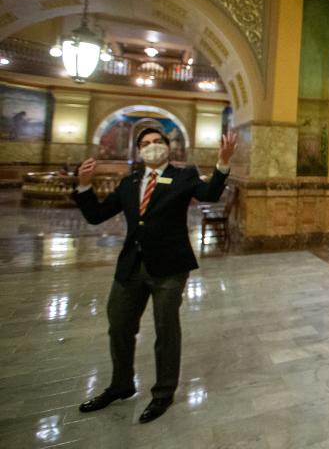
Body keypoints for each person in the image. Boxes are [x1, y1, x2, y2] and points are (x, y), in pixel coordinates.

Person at [73, 127, 237, 423]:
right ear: (139, 151)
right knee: (119, 326)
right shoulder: (129, 182)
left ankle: (163, 394)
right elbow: (96, 215)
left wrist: (223, 163)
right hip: (131, 267)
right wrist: (84, 185)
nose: (151, 147)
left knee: (166, 331)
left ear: (168, 147)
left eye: (157, 142)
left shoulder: (183, 176)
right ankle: (121, 385)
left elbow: (209, 193)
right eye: (145, 144)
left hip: (170, 268)